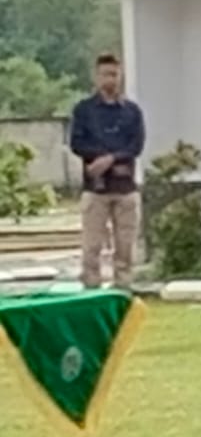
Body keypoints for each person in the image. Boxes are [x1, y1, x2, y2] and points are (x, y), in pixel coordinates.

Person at [70, 54, 145, 291]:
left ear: (120, 76)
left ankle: (123, 289)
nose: (109, 79)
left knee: (125, 245)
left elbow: (136, 146)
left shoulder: (132, 112)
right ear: (96, 76)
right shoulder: (84, 110)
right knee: (91, 246)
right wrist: (99, 159)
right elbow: (77, 143)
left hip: (125, 189)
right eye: (105, 74)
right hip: (96, 189)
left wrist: (111, 159)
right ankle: (91, 289)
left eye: (114, 74)